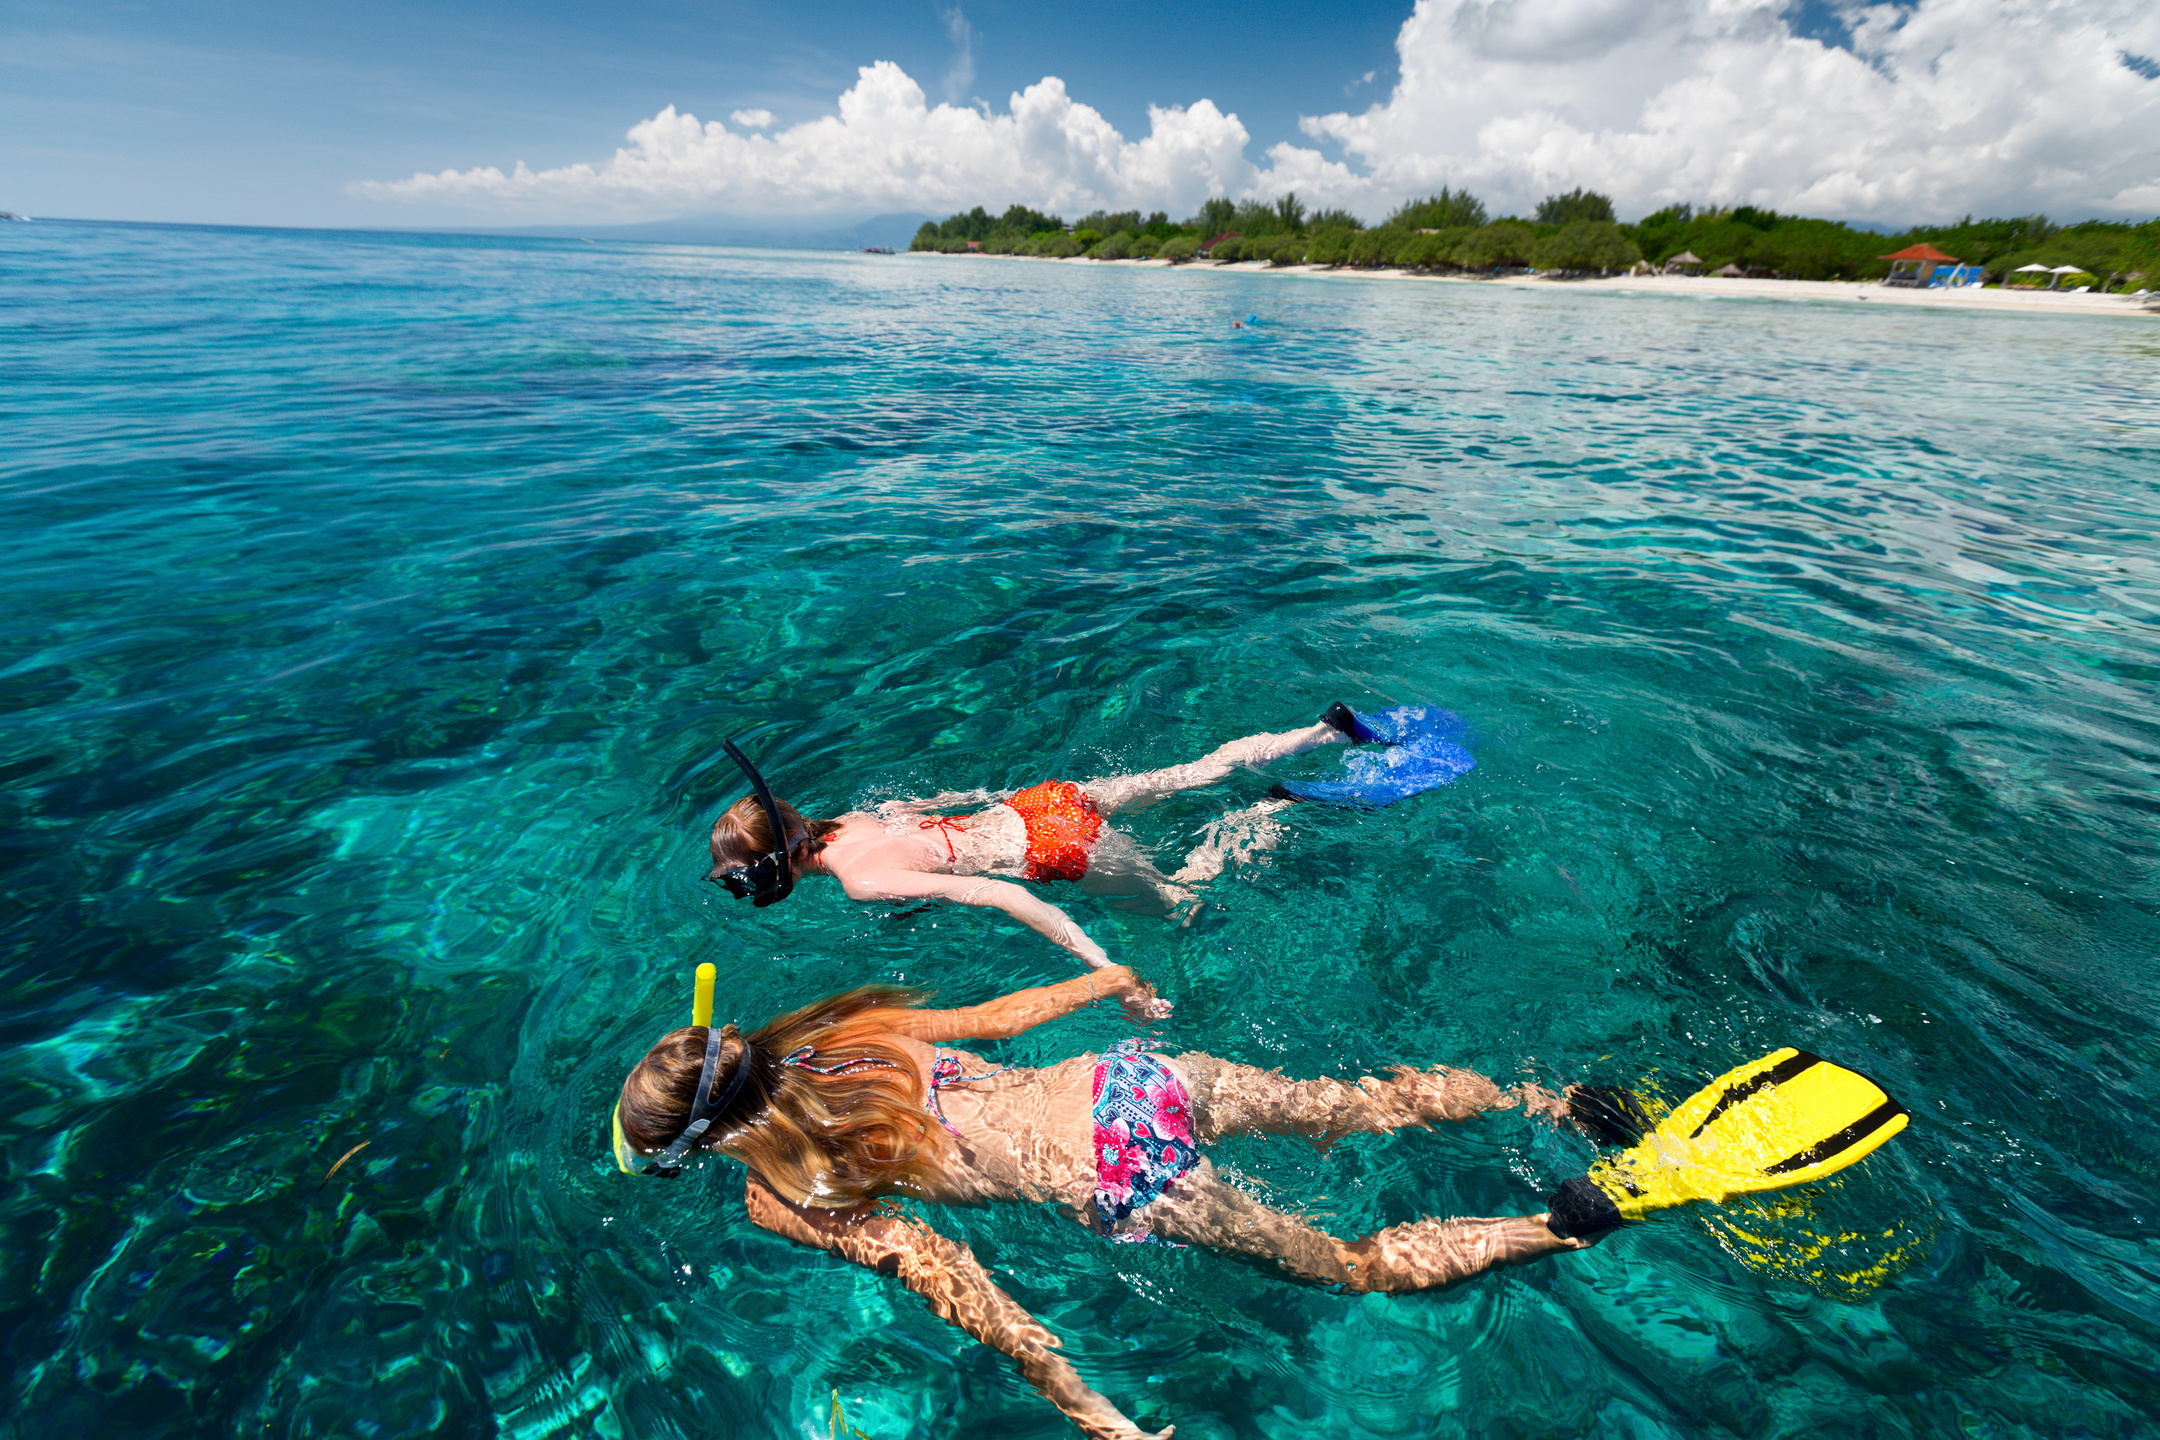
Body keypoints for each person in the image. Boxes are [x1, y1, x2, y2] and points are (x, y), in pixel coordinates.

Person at [612, 969, 1605, 1440]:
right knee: (1356, 1108)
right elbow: (997, 1017)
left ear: (704, 1145)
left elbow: (943, 1270)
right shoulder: (846, 1029)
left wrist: (1088, 1407)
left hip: (1122, 1175)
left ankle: (1557, 1224)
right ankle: (1549, 1100)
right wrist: (1110, 977)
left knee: (1354, 1268)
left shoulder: (774, 1193)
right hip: (1126, 1079)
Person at [705, 708, 1367, 969]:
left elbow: (998, 895)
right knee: (1193, 773)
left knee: (1180, 900)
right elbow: (935, 809)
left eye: (747, 880)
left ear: (780, 865)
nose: (748, 890)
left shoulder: (861, 882)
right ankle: (1323, 731)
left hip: (1055, 852)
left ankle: (1270, 813)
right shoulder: (852, 819)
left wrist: (1097, 961)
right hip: (1042, 803)